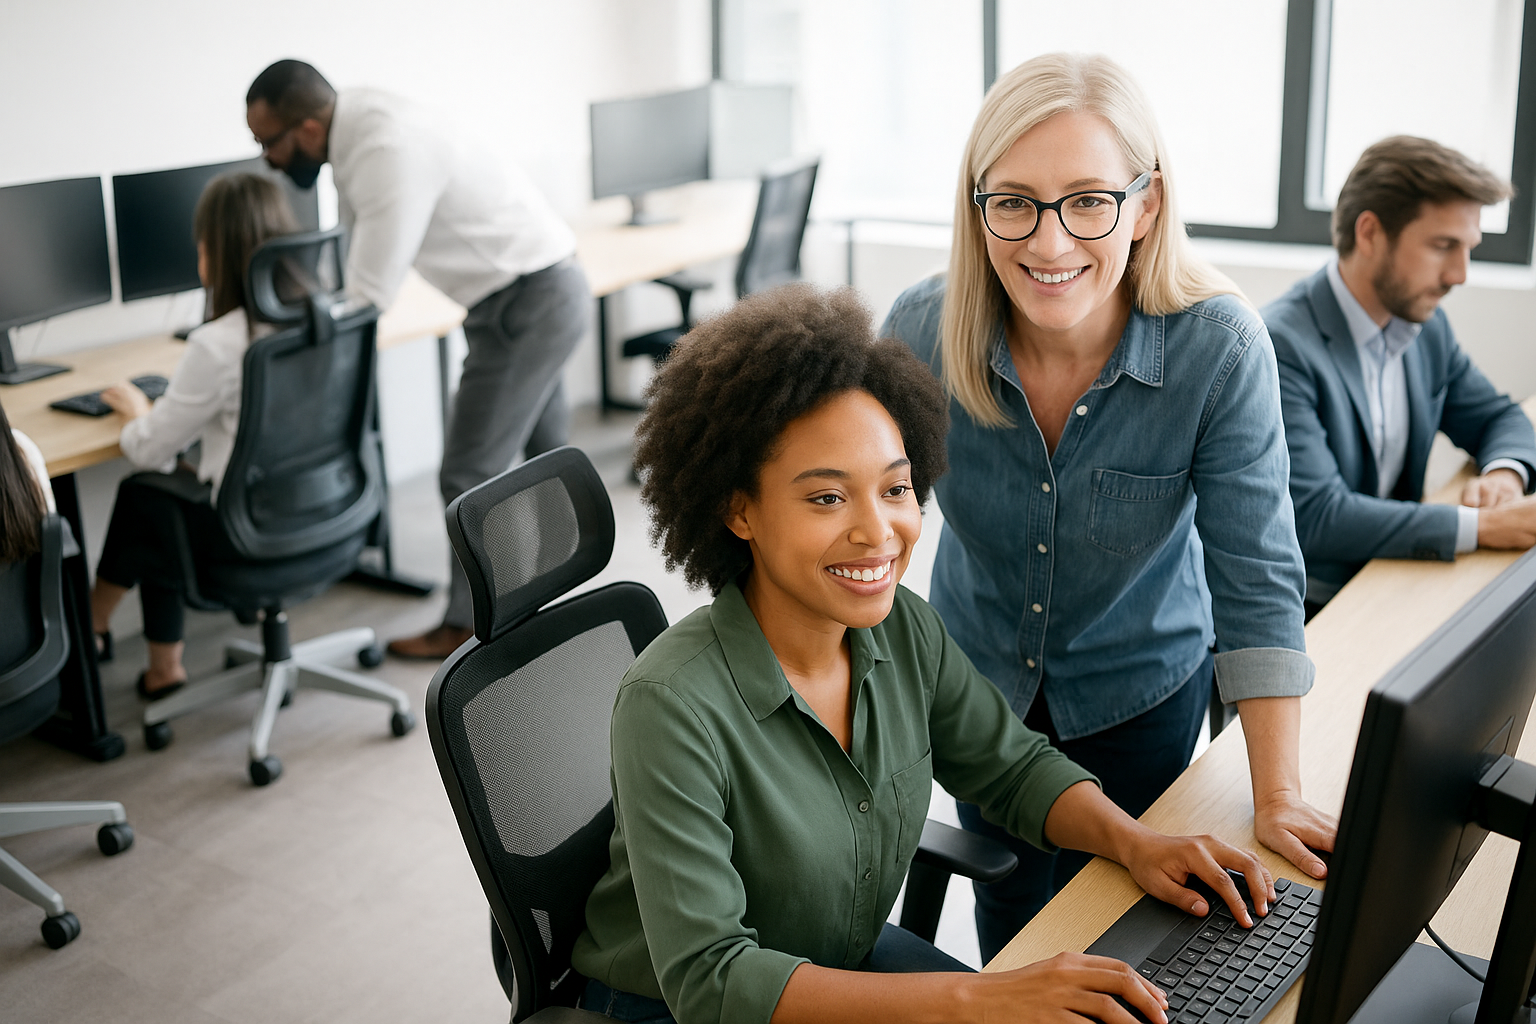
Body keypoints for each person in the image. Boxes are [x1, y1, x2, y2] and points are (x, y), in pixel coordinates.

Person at [570, 284, 1278, 1024]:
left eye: (895, 488)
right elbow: (712, 980)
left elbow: (1010, 767)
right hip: (675, 1007)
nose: (878, 532)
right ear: (737, 509)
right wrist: (979, 996)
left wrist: (1136, 843)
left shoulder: (899, 628)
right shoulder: (670, 705)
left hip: (837, 963)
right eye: (827, 498)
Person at [879, 53, 1334, 963]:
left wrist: (1277, 793)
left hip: (1141, 689)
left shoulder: (1218, 348)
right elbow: (864, 526)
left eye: (1089, 201)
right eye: (1015, 203)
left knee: (1132, 935)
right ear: (977, 205)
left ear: (1146, 205)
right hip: (982, 693)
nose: (1050, 245)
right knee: (1019, 930)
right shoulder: (921, 332)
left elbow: (1257, 579)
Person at [244, 59, 592, 660]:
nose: (267, 160)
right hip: (542, 289)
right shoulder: (359, 125)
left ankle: (471, 626)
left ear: (306, 129)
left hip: (526, 305)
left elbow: (368, 294)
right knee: (541, 460)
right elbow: (356, 254)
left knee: (468, 475)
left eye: (267, 143)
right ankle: (547, 610)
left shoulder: (382, 148)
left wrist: (291, 334)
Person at [1262, 136, 1536, 614]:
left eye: (1468, 248)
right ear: (1370, 234)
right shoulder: (1278, 346)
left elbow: (1497, 417)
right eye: (1443, 246)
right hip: (1310, 603)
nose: (1459, 274)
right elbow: (1318, 516)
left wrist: (1505, 474)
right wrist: (1483, 527)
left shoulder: (1424, 327)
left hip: (1392, 575)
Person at [88, 172, 297, 699]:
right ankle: (146, 658)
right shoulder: (322, 318)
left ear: (215, 253)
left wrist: (139, 410)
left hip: (247, 536)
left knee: (147, 493)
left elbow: (147, 449)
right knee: (161, 497)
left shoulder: (218, 344)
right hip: (316, 517)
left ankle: (94, 629)